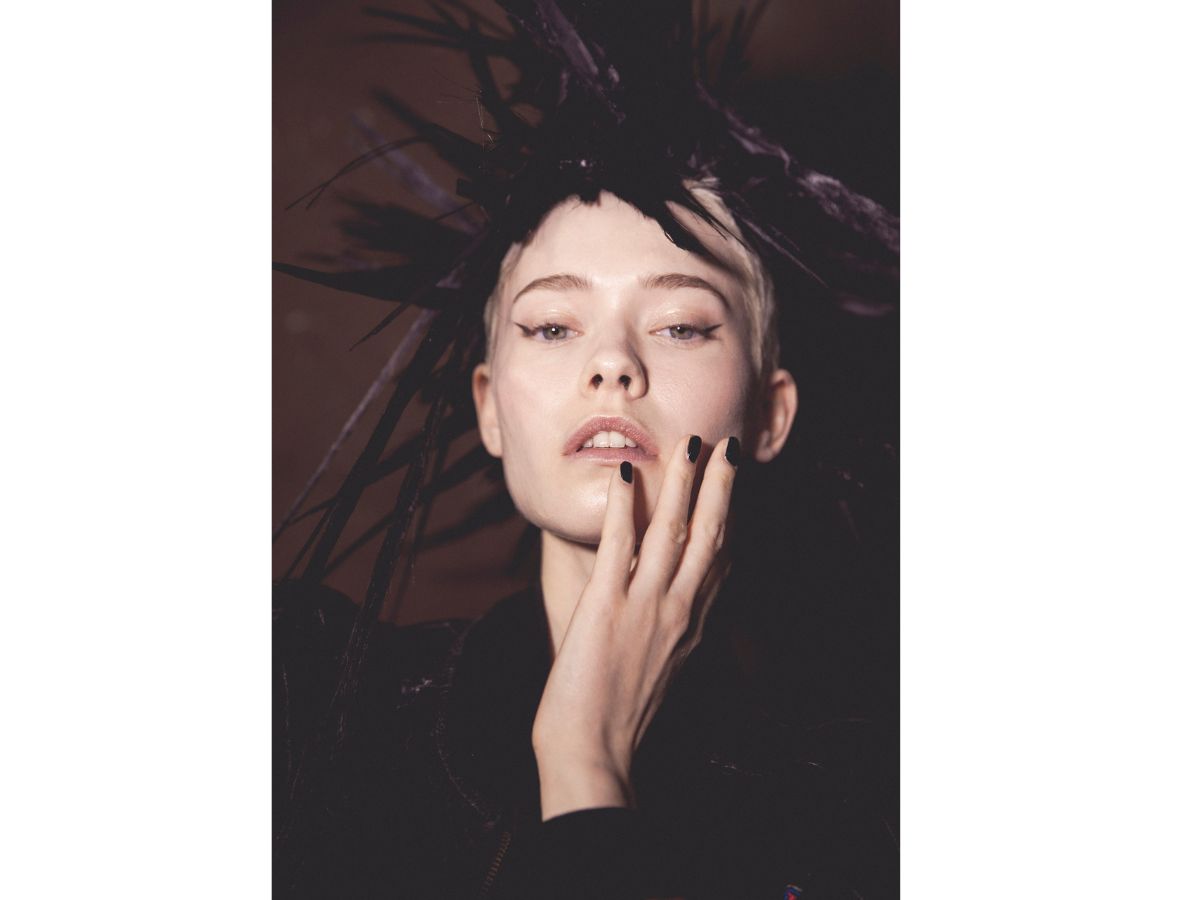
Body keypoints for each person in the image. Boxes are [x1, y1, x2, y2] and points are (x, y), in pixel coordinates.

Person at [275, 2, 898, 897]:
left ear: (770, 414)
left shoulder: (870, 811)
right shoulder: (301, 701)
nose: (612, 363)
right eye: (553, 325)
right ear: (489, 408)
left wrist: (586, 766)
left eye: (680, 325)